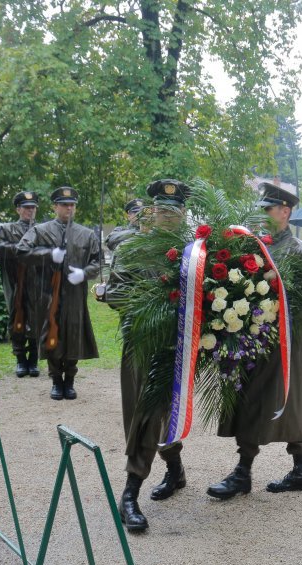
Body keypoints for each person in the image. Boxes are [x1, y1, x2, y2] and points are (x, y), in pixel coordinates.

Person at [209, 181, 302, 499]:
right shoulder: (257, 246)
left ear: (285, 211)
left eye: (268, 210)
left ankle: (245, 473)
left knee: (278, 400)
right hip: (255, 338)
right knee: (260, 399)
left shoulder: (298, 251)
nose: (263, 216)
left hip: (284, 342)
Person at [103, 179, 190, 533]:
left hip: (178, 347)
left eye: (175, 210)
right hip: (140, 343)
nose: (168, 216)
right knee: (143, 413)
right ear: (152, 211)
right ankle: (134, 490)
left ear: (183, 213)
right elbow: (114, 294)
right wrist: (152, 304)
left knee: (165, 412)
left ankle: (163, 475)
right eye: (162, 209)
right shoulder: (131, 247)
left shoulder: (195, 252)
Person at [16, 186, 100, 401]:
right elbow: (22, 251)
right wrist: (46, 254)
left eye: (72, 204)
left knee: (73, 335)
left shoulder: (87, 234)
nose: (69, 208)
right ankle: (56, 379)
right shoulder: (40, 231)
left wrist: (84, 273)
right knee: (52, 336)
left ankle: (69, 380)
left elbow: (97, 261)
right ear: (55, 207)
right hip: (47, 294)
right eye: (64, 205)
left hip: (74, 295)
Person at [0, 191, 43, 377]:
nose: (30, 211)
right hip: (14, 280)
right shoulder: (7, 229)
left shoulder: (42, 230)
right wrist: (16, 249)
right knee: (16, 318)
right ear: (18, 209)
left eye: (33, 207)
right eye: (26, 208)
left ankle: (34, 360)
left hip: (37, 282)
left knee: (36, 319)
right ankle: (20, 359)